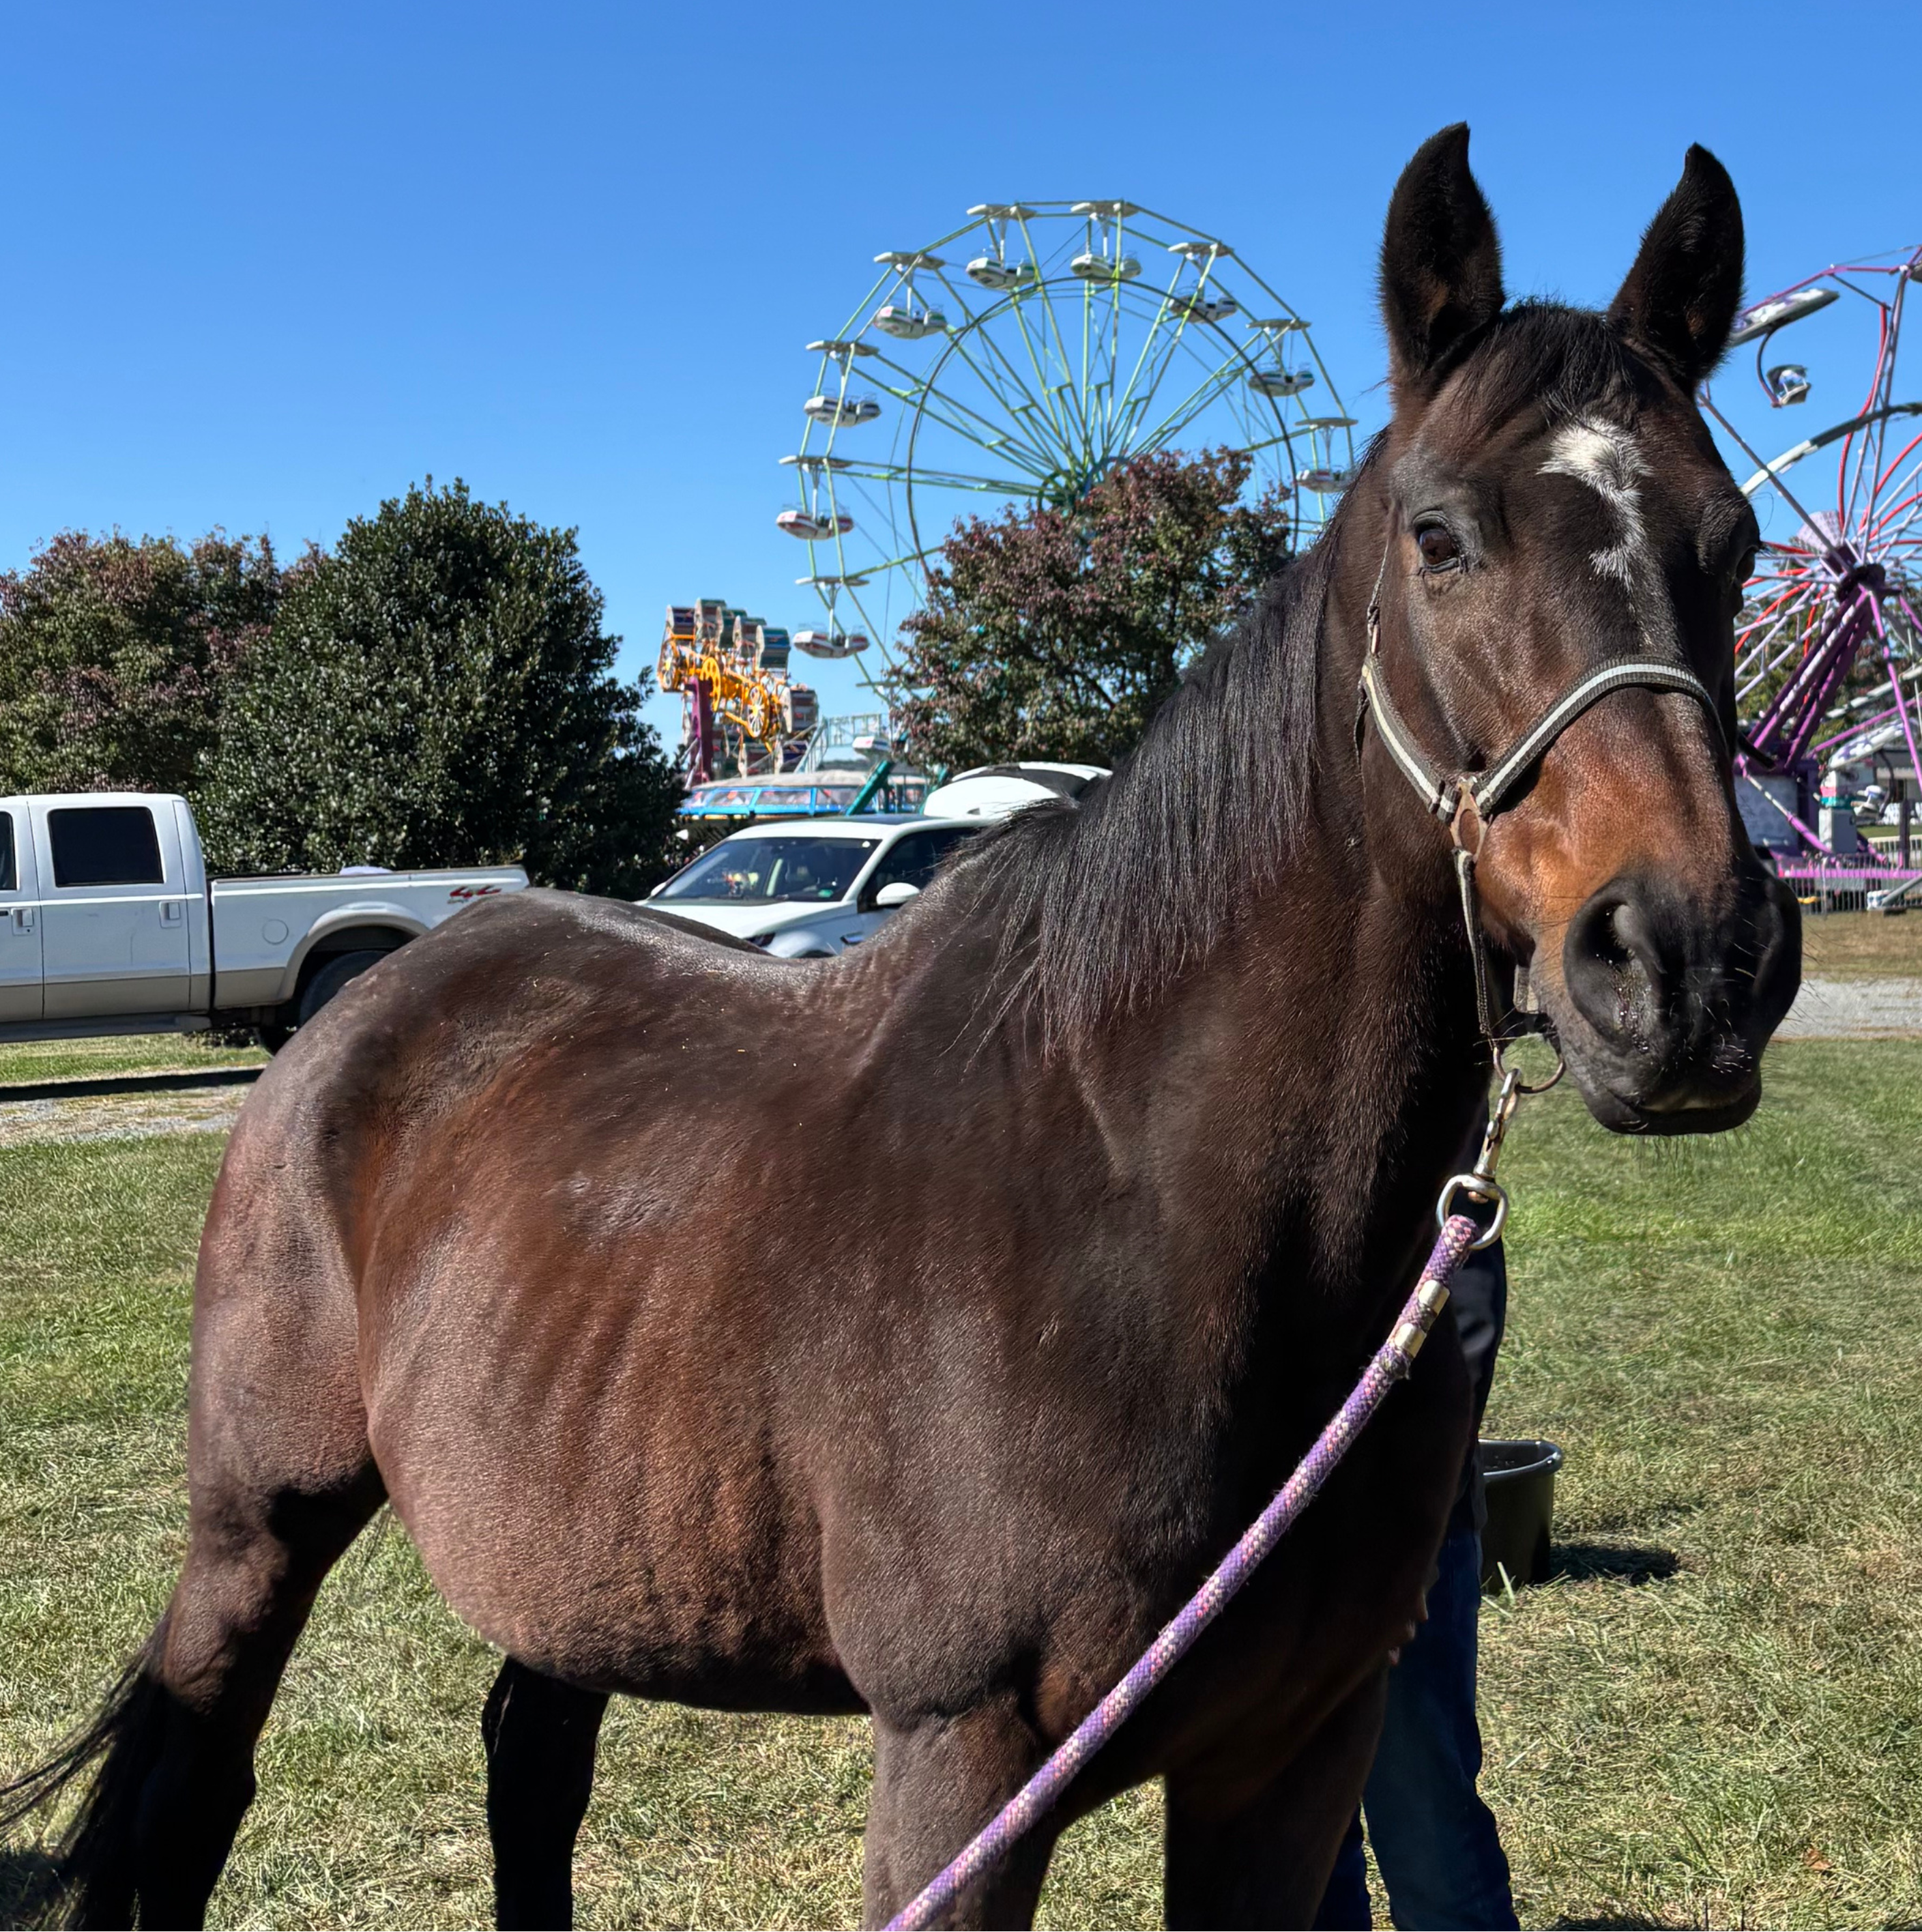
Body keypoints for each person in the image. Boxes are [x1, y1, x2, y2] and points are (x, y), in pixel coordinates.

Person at [1312, 1229, 1518, 1931]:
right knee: (1298, 1833)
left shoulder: (1427, 1146)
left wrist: (1412, 1527)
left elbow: (1465, 1311)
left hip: (1401, 1529)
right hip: (1270, 1546)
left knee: (1425, 1817)